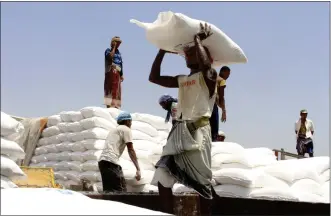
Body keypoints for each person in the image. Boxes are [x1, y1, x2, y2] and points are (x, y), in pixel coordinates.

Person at [149, 23, 223, 215]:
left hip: (199, 134)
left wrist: (198, 39)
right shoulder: (182, 80)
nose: (187, 56)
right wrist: (162, 51)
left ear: (204, 56)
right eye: (187, 54)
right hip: (179, 132)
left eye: (193, 53)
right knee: (162, 175)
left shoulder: (209, 76)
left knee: (202, 184)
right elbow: (154, 77)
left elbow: (206, 65)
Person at [98, 111, 141, 192]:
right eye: (130, 121)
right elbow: (130, 149)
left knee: (109, 192)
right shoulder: (126, 129)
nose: (131, 124)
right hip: (111, 162)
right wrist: (138, 169)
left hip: (102, 162)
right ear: (127, 121)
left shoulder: (114, 130)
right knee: (121, 192)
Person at [210, 66, 231, 141]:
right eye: (227, 74)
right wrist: (224, 111)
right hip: (212, 106)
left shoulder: (213, 79)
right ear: (222, 72)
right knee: (214, 132)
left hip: (205, 104)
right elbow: (221, 96)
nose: (228, 76)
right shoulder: (221, 80)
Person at [104, 36, 124, 109]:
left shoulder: (118, 53)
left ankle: (116, 105)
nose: (118, 45)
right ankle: (110, 105)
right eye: (117, 43)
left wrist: (121, 74)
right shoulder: (108, 50)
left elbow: (121, 63)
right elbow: (110, 57)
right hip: (111, 70)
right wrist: (113, 47)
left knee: (117, 89)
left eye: (119, 43)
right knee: (111, 87)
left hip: (118, 71)